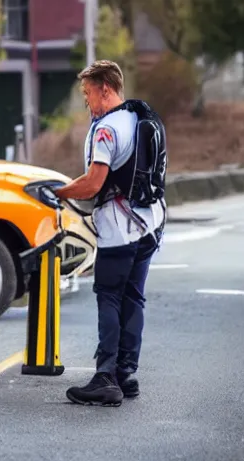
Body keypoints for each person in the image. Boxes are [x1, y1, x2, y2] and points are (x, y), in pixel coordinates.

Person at [55, 60, 167, 407]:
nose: (87, 102)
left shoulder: (107, 129)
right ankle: (125, 373)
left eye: (88, 93)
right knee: (133, 297)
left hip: (120, 228)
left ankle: (105, 377)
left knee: (110, 296)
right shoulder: (141, 118)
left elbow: (93, 183)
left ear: (105, 88)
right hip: (151, 223)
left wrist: (57, 193)